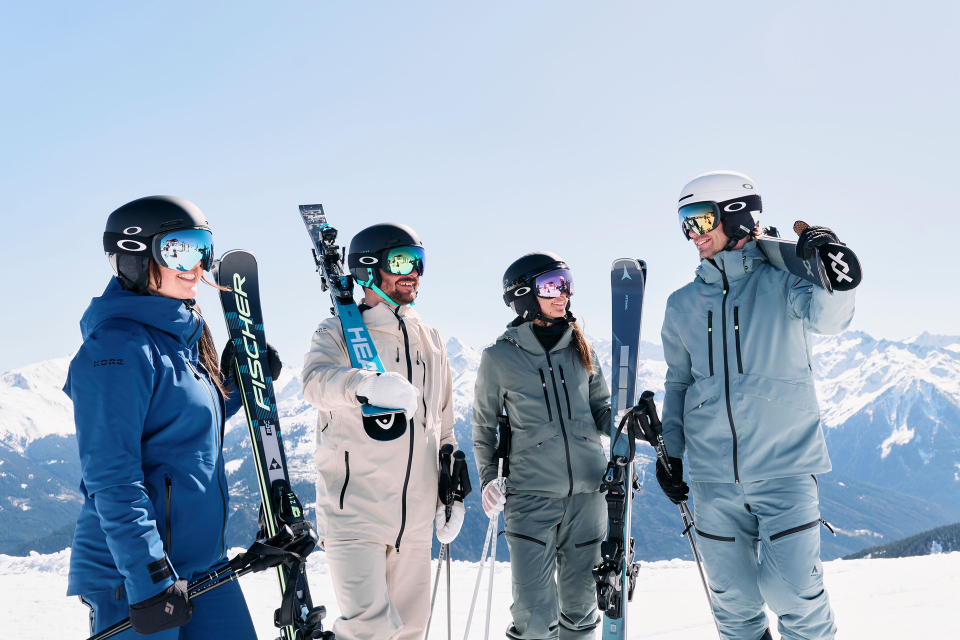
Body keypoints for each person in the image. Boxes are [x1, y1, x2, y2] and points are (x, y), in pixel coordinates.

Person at [658, 171, 854, 640]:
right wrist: (673, 452)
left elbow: (833, 320)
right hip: (711, 478)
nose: (693, 234)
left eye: (700, 218)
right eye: (684, 223)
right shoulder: (682, 304)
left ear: (736, 214)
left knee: (795, 596)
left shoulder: (785, 282)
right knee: (734, 605)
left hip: (784, 467)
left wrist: (832, 266)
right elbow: (678, 382)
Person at [65, 195, 268, 638]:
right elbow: (111, 475)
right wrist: (149, 576)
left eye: (203, 248)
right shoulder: (117, 348)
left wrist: (236, 389)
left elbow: (181, 435)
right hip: (135, 575)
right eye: (179, 248)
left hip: (202, 566)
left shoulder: (178, 341)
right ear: (136, 256)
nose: (197, 264)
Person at [301, 222, 460, 640]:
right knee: (366, 630)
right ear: (369, 268)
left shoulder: (432, 341)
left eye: (419, 262)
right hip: (355, 514)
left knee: (410, 630)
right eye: (403, 261)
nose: (415, 273)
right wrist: (364, 384)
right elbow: (314, 383)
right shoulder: (337, 331)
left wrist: (450, 495)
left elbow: (443, 426)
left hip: (416, 519)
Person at [473, 252, 611, 640]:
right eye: (552, 285)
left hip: (589, 495)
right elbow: (483, 427)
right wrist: (488, 479)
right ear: (523, 294)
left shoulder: (581, 349)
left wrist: (623, 425)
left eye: (565, 284)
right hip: (530, 499)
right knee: (534, 615)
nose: (562, 294)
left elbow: (601, 408)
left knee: (582, 609)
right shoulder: (499, 358)